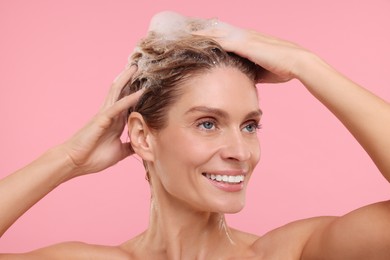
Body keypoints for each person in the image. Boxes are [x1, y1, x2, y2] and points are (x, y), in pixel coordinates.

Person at [1, 11, 389, 259]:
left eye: (249, 125)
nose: (241, 151)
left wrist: (307, 65)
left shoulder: (290, 254)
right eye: (208, 123)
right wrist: (67, 159)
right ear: (142, 136)